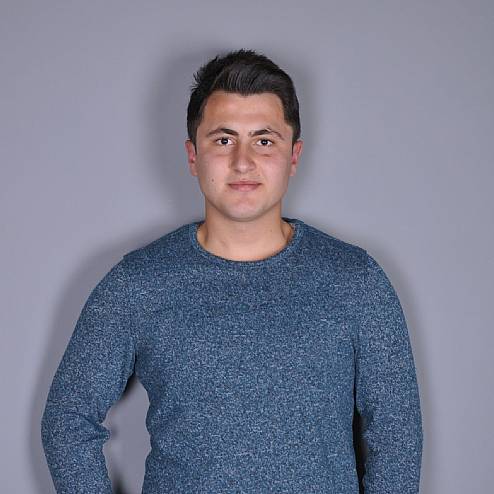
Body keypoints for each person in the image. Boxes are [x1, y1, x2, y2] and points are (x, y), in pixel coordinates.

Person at [41, 48, 423, 493]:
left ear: (293, 156)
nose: (243, 162)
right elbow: (67, 419)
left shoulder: (357, 282)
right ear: (193, 155)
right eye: (223, 140)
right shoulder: (139, 284)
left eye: (264, 141)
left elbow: (396, 434)